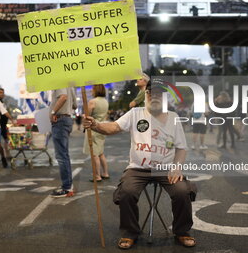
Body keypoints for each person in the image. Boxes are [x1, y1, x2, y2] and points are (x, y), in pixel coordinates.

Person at [83, 79, 196, 249]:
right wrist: (96, 125)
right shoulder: (135, 113)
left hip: (165, 169)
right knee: (127, 192)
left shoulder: (173, 117)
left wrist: (176, 167)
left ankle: (182, 231)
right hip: (137, 169)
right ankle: (130, 233)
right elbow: (113, 127)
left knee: (182, 192)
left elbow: (181, 149)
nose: (154, 96)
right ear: (146, 95)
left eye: (159, 93)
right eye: (151, 93)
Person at [50, 87, 77, 198]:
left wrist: (53, 112)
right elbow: (75, 105)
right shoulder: (70, 85)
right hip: (66, 119)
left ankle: (66, 187)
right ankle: (68, 185)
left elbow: (63, 97)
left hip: (60, 119)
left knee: (61, 155)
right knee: (64, 154)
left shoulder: (59, 81)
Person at [83, 84, 109, 182]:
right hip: (102, 127)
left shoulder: (92, 102)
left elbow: (87, 115)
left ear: (96, 90)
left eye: (92, 89)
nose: (91, 91)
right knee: (101, 152)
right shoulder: (105, 102)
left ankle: (97, 176)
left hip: (93, 129)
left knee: (94, 154)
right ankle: (105, 173)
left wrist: (83, 115)